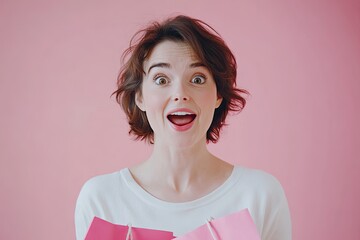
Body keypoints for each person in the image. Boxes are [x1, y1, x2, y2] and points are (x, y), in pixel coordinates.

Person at [75, 15, 291, 239]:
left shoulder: (260, 195)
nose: (180, 94)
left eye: (197, 79)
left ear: (218, 95)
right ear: (140, 97)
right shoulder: (100, 200)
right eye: (161, 79)